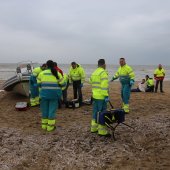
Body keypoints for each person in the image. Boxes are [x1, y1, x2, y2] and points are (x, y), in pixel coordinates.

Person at [37, 60, 66, 132]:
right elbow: (63, 84)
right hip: (54, 95)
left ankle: (44, 126)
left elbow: (38, 84)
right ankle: (50, 127)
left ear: (46, 65)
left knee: (44, 110)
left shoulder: (41, 73)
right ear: (53, 65)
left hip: (44, 95)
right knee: (52, 111)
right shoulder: (58, 73)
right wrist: (59, 89)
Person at [89, 59, 110, 136]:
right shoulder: (103, 73)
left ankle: (93, 128)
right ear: (104, 64)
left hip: (95, 96)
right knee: (102, 113)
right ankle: (102, 131)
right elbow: (104, 86)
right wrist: (106, 96)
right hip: (101, 97)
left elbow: (90, 81)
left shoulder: (94, 72)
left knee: (95, 112)